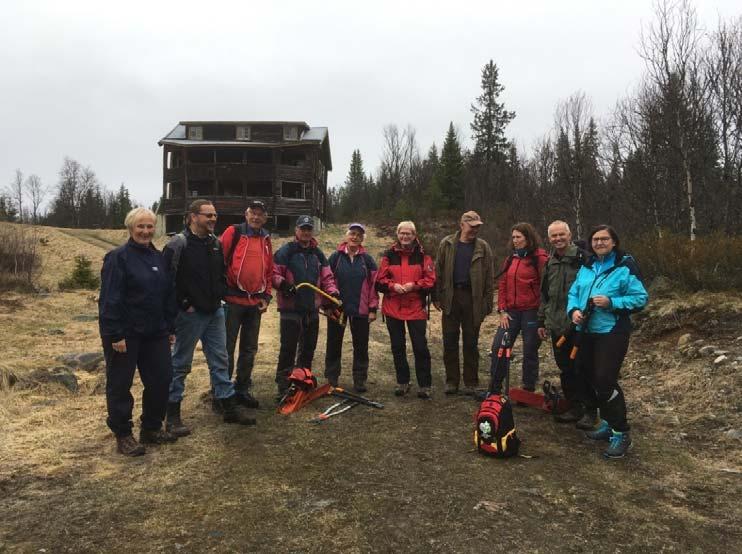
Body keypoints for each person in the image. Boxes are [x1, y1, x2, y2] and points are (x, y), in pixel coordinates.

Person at [164, 199, 256, 434]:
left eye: (214, 215)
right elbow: (167, 281)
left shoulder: (215, 243)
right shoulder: (178, 244)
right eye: (208, 215)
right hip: (190, 315)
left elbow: (220, 275)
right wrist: (183, 304)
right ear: (193, 216)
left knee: (220, 361)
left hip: (215, 311)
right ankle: (172, 415)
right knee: (180, 364)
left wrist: (221, 297)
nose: (213, 219)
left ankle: (228, 407)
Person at [99, 207, 178, 456]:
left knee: (161, 380)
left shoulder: (158, 258)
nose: (145, 231)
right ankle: (123, 434)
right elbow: (110, 299)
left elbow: (167, 294)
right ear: (130, 228)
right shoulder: (117, 258)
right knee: (120, 384)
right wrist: (115, 335)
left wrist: (170, 327)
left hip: (156, 332)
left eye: (150, 226)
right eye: (140, 227)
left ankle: (152, 428)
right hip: (126, 333)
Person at [567, 224, 648, 459]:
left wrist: (612, 302)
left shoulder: (624, 266)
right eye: (595, 239)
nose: (599, 243)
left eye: (604, 239)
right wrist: (573, 310)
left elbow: (640, 298)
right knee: (591, 376)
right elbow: (574, 292)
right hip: (586, 330)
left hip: (612, 331)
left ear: (614, 242)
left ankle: (621, 432)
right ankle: (609, 424)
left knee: (604, 379)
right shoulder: (588, 265)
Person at [272, 215, 339, 400]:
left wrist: (332, 293)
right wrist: (283, 284)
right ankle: (283, 385)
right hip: (290, 308)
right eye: (303, 229)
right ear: (296, 230)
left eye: (309, 229)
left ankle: (302, 382)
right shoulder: (286, 251)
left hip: (312, 309)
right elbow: (273, 273)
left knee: (308, 349)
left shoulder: (317, 253)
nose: (306, 232)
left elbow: (327, 277)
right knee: (288, 349)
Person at [433, 211, 494, 396]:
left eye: (478, 226)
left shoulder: (483, 247)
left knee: (471, 342)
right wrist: (436, 297)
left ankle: (471, 382)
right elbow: (438, 271)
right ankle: (452, 382)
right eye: (472, 225)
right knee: (450, 341)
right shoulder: (447, 243)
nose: (475, 229)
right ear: (462, 225)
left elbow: (489, 278)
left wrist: (487, 304)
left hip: (473, 300)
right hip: (451, 298)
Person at [537, 221, 592, 425]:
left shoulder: (583, 259)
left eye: (561, 235)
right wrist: (541, 321)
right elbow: (545, 295)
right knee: (565, 368)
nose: (558, 239)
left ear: (569, 235)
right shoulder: (550, 262)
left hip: (578, 325)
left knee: (581, 367)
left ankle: (589, 409)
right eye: (554, 236)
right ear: (549, 238)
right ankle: (574, 406)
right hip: (556, 325)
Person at [221, 200, 273, 409]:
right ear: (246, 214)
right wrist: (219, 293)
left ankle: (242, 389)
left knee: (249, 349)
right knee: (226, 349)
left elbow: (269, 271)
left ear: (265, 217)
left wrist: (267, 297)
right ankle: (223, 393)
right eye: (253, 213)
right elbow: (219, 262)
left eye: (260, 214)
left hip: (254, 304)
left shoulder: (266, 239)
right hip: (232, 301)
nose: (256, 217)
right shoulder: (233, 233)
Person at [376, 221, 436, 399]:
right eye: (402, 233)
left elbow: (431, 280)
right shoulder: (388, 255)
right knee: (397, 347)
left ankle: (425, 385)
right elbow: (380, 279)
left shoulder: (424, 256)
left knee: (420, 347)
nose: (405, 236)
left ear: (414, 234)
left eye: (408, 233)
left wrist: (414, 286)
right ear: (397, 234)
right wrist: (393, 286)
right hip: (393, 306)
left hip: (416, 307)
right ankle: (403, 382)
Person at [490, 222, 548, 394]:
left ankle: (528, 388)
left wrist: (542, 317)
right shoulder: (510, 259)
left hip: (532, 311)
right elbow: (502, 285)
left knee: (530, 349)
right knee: (498, 347)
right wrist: (502, 310)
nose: (515, 240)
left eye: (519, 237)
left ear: (528, 238)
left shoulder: (540, 259)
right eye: (513, 237)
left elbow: (547, 289)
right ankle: (494, 387)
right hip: (511, 312)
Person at [324, 223, 379, 392]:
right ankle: (332, 379)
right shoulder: (335, 257)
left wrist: (372, 309)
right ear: (346, 236)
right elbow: (326, 280)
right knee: (334, 344)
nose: (354, 237)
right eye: (352, 233)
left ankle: (360, 380)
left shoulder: (368, 260)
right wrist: (327, 305)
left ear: (362, 239)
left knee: (361, 346)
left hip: (360, 310)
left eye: (358, 235)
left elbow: (373, 286)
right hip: (337, 309)